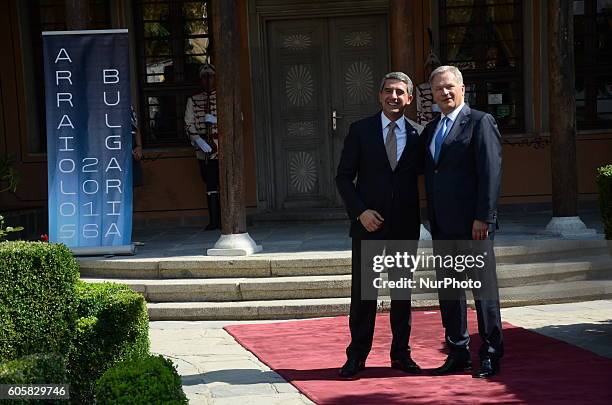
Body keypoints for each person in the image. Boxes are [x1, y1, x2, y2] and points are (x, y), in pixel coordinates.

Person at [335, 72, 423, 379]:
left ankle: (401, 355)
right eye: (388, 91)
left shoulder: (418, 134)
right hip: (367, 226)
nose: (394, 96)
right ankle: (357, 356)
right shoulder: (360, 131)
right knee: (364, 295)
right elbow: (343, 177)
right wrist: (360, 212)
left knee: (401, 295)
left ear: (409, 99)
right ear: (379, 95)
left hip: (404, 227)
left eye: (400, 92)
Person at [422, 65, 503, 378]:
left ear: (462, 88)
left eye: (449, 86)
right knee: (450, 291)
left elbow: (491, 173)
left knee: (482, 291)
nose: (444, 93)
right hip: (442, 225)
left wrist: (484, 216)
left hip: (474, 225)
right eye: (438, 89)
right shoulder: (431, 130)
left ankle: (491, 354)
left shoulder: (480, 122)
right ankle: (457, 352)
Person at [185, 63, 220, 230]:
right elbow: (188, 123)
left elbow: (238, 118)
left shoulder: (223, 97)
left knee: (224, 182)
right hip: (203, 149)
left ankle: (224, 219)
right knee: (209, 183)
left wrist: (217, 120)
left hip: (222, 148)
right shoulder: (193, 100)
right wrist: (198, 140)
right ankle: (214, 221)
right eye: (204, 77)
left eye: (211, 76)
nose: (208, 80)